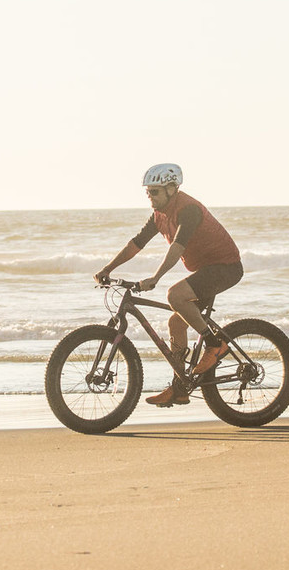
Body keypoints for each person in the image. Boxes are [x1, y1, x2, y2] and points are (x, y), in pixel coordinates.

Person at [94, 163, 244, 407]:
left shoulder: (189, 209)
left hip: (225, 267)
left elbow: (178, 246)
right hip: (205, 270)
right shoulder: (159, 215)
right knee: (176, 322)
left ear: (172, 188)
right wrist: (108, 269)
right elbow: (137, 243)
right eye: (148, 192)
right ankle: (180, 388)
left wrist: (156, 277)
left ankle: (215, 345)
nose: (150, 197)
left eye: (155, 192)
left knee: (175, 295)